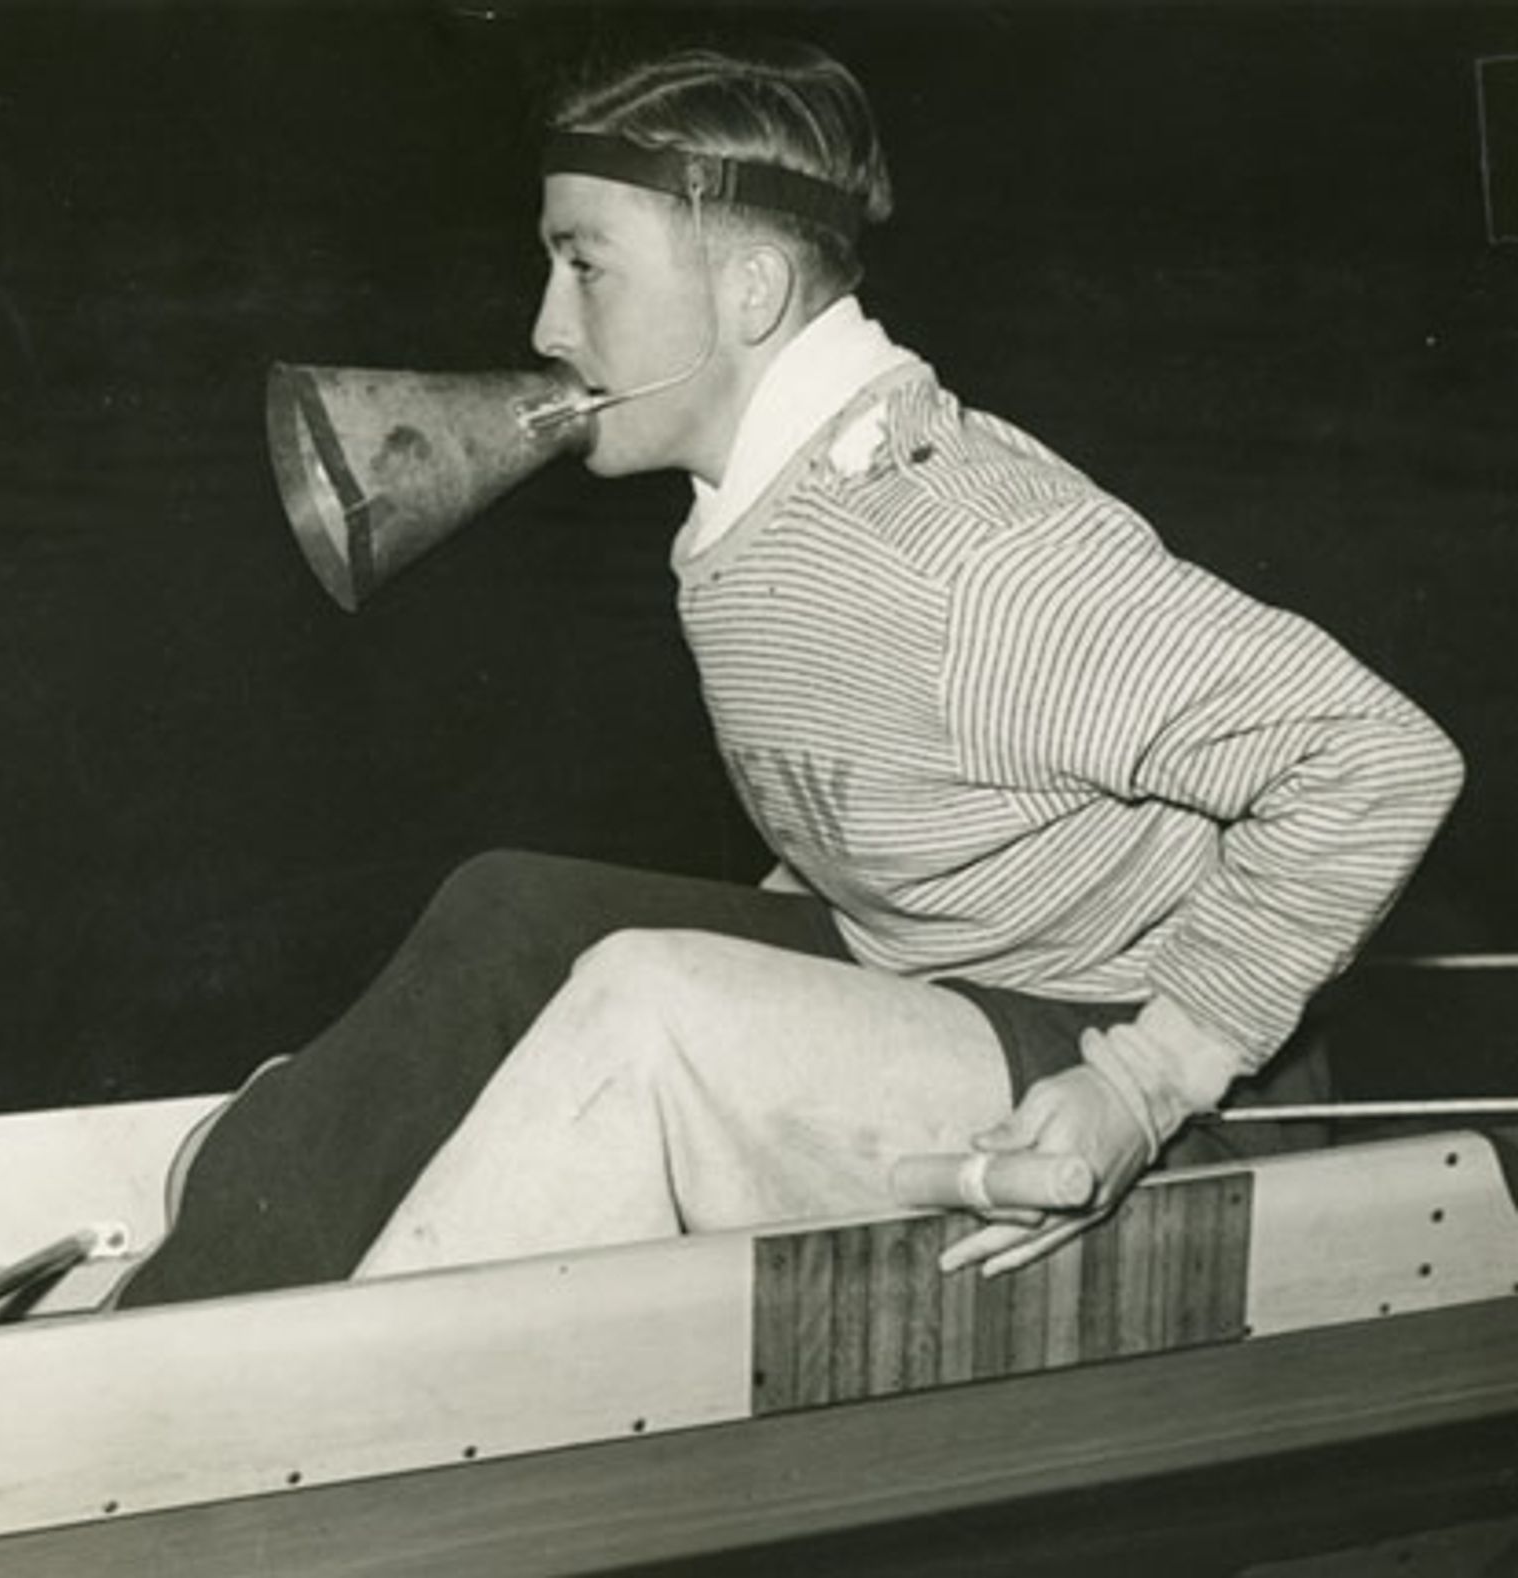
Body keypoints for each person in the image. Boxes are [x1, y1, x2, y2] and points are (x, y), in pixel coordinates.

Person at [114, 38, 1463, 1305]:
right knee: (512, 909)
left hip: (1129, 1069)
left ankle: (310, 1401)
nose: (544, 324)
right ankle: (194, 1298)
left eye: (586, 266)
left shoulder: (967, 555)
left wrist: (1145, 1081)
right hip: (943, 983)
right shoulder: (769, 516)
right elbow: (871, 779)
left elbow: (1374, 753)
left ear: (749, 293)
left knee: (652, 1005)